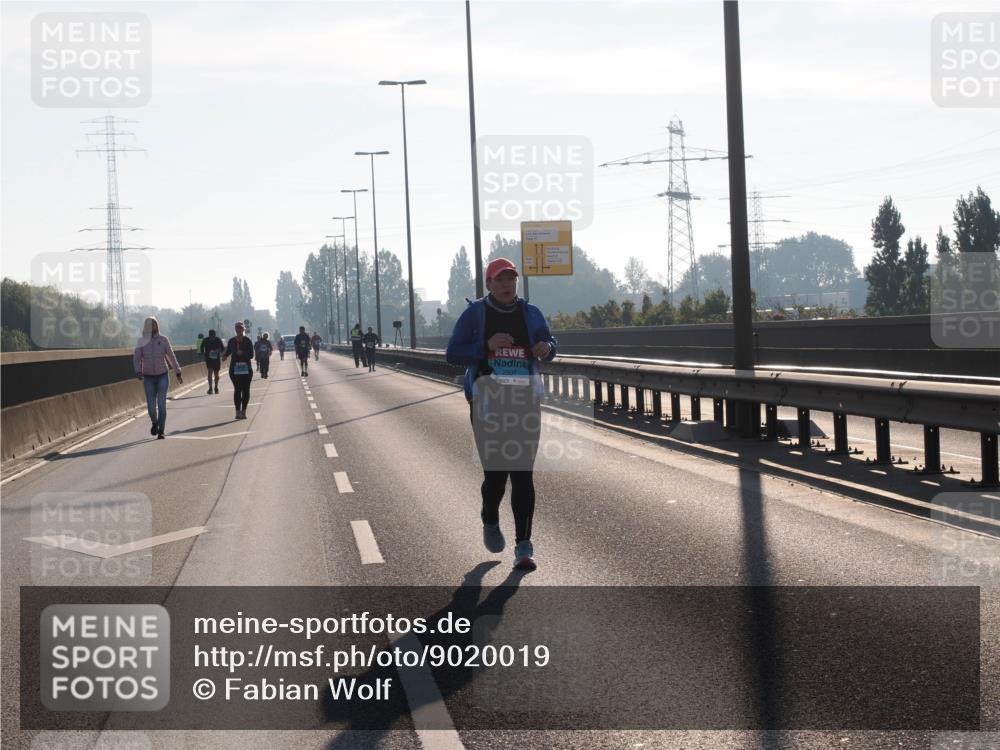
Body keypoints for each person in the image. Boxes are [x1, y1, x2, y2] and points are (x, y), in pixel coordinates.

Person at [446, 258, 557, 572]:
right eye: (500, 280)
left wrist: (547, 348)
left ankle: (524, 547)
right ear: (489, 284)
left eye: (511, 279)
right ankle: (490, 517)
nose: (507, 284)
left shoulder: (531, 313)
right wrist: (485, 346)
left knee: (522, 474)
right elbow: (452, 353)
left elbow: (550, 343)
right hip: (488, 403)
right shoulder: (475, 314)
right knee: (496, 476)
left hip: (524, 401)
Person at [133, 316, 183, 440]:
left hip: (162, 376)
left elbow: (171, 356)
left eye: (153, 324)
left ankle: (161, 431)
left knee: (161, 404)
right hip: (148, 377)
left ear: (157, 326)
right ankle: (155, 422)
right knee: (151, 406)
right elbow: (136, 358)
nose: (151, 326)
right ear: (145, 327)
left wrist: (177, 372)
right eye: (149, 324)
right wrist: (138, 371)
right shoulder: (141, 341)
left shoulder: (163, 340)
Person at [222, 321, 255, 420]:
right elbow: (228, 351)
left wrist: (243, 353)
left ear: (243, 329)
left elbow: (251, 355)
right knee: (237, 389)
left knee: (245, 390)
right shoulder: (231, 341)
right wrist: (224, 356)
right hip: (234, 369)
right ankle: (237, 412)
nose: (238, 329)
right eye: (237, 328)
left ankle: (243, 412)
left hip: (246, 369)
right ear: (235, 329)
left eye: (240, 328)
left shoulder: (248, 341)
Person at [202, 328, 225, 394]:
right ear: (209, 336)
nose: (212, 338)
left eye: (213, 337)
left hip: (216, 359)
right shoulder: (206, 340)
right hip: (209, 359)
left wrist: (218, 350)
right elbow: (201, 348)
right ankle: (210, 388)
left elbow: (223, 348)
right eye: (211, 337)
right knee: (210, 372)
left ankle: (216, 387)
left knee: (216, 374)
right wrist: (204, 355)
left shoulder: (218, 339)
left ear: (215, 336)